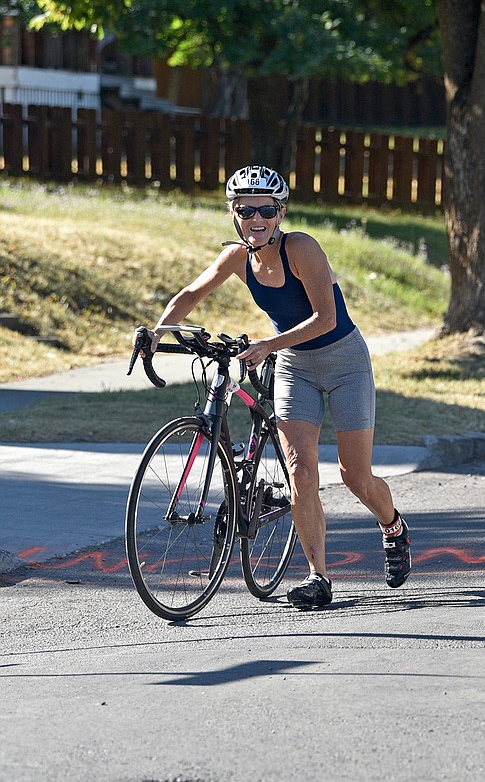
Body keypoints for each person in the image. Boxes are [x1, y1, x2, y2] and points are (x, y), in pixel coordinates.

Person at [143, 165, 411, 609]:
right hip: (294, 365)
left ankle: (393, 527)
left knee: (355, 476)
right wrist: (158, 331)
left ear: (281, 212)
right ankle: (317, 577)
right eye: (246, 210)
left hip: (345, 360)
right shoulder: (236, 257)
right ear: (234, 214)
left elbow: (326, 319)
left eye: (266, 209)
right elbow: (190, 295)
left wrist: (269, 344)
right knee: (300, 470)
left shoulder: (301, 248)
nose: (256, 218)